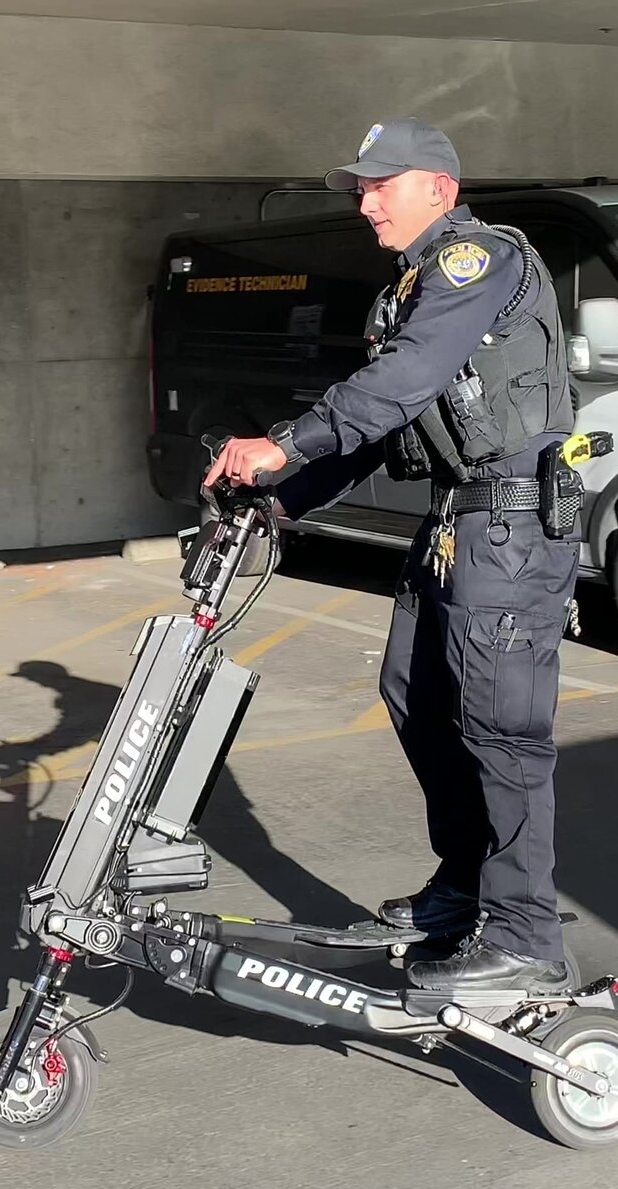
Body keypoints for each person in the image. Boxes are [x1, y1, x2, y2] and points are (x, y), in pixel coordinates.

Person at [203, 118, 579, 991]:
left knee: (502, 729)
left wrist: (282, 442)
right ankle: (465, 887)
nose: (365, 201)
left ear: (439, 188)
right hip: (459, 525)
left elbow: (400, 384)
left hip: (510, 530)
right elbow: (386, 427)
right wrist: (280, 500)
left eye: (381, 183)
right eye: (360, 188)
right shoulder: (409, 290)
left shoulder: (473, 263)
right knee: (411, 690)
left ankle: (525, 934)